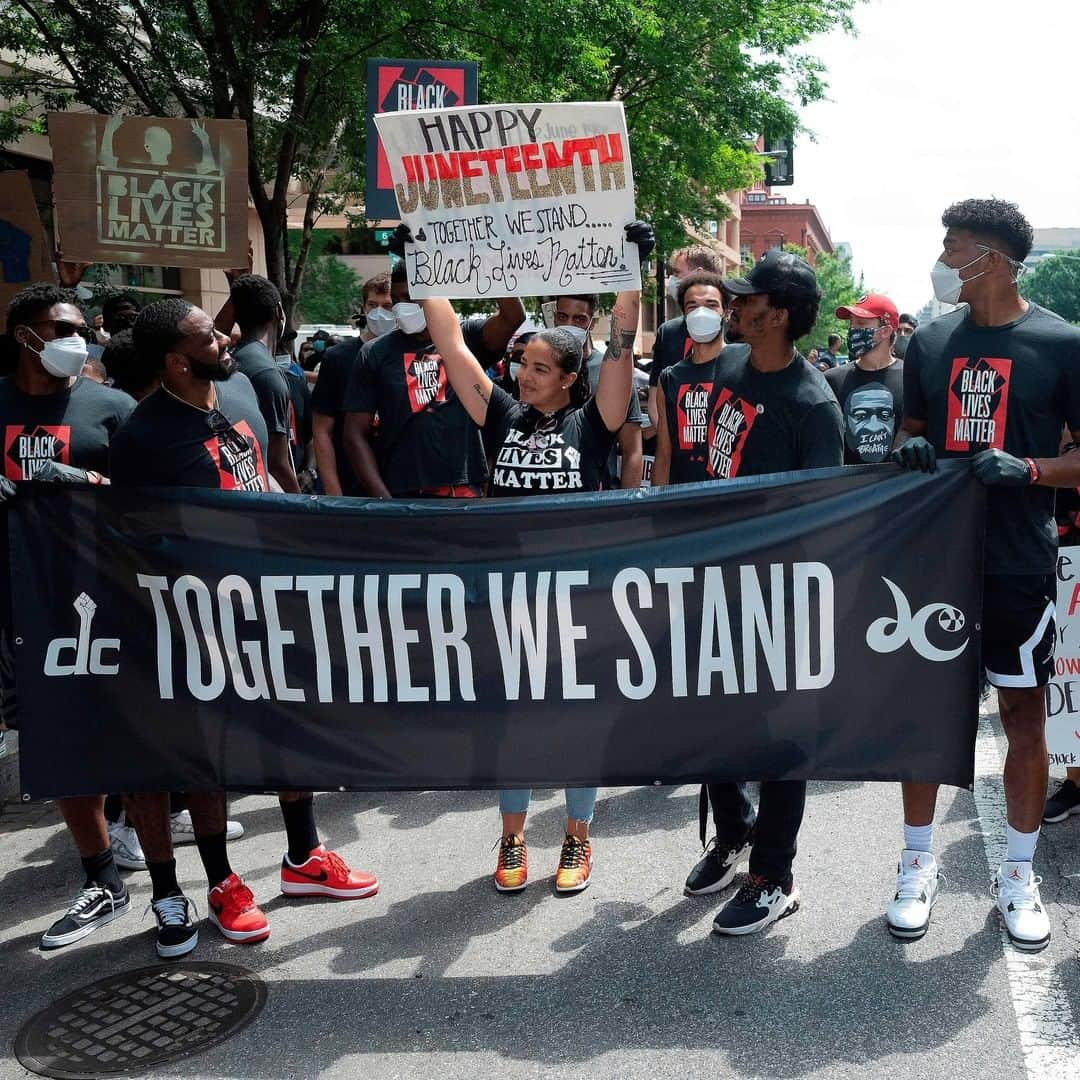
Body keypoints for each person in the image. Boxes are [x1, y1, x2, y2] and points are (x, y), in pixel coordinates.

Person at [108, 298, 379, 958]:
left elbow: (261, 480)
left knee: (286, 729)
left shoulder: (236, 392)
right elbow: (132, 539)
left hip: (266, 603)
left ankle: (302, 856)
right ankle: (221, 882)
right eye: (210, 336)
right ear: (177, 360)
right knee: (200, 754)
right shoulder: (144, 437)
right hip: (194, 621)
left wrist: (307, 536)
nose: (228, 337)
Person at [418, 221, 651, 892]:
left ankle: (577, 841)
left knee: (578, 720)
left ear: (570, 378)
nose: (524, 375)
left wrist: (631, 266)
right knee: (514, 720)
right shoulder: (503, 417)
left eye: (540, 368)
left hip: (580, 598)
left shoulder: (594, 422)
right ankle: (514, 838)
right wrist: (426, 260)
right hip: (512, 596)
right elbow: (452, 343)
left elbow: (622, 343)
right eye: (523, 364)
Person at [888, 198, 1080, 952]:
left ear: (990, 259)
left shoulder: (1060, 343)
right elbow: (911, 431)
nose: (941, 257)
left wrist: (1030, 468)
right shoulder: (930, 343)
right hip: (935, 559)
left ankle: (1019, 873)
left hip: (1017, 560)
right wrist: (909, 450)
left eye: (953, 244)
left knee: (1024, 715)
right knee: (926, 717)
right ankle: (914, 865)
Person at [668, 251, 843, 935]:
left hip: (777, 602)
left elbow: (822, 527)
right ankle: (733, 832)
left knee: (778, 740)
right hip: (715, 583)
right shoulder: (730, 369)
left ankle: (775, 874)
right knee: (714, 721)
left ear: (779, 313)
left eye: (746, 300)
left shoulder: (812, 405)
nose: (732, 308)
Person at [0, 283, 137, 950]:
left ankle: (116, 845)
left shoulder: (110, 408)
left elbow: (152, 503)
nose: (74, 341)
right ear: (24, 334)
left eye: (80, 329)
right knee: (52, 740)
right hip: (15, 609)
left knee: (105, 734)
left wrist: (94, 488)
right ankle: (104, 872)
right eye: (61, 328)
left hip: (94, 602)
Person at [341, 245, 525, 500]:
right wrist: (383, 498)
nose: (402, 307)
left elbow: (513, 317)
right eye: (397, 300)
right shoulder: (374, 353)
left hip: (464, 490)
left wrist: (484, 253)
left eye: (411, 297)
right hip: (403, 494)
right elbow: (354, 434)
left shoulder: (465, 338)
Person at [311, 274, 396, 497]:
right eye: (372, 305)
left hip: (400, 488)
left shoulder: (409, 354)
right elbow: (322, 431)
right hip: (351, 488)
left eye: (388, 306)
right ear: (363, 308)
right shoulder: (337, 358)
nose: (379, 312)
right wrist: (334, 492)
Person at [652, 270, 731, 488]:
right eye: (693, 306)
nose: (701, 312)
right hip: (684, 502)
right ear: (684, 315)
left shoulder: (745, 365)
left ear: (726, 312)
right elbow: (664, 454)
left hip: (735, 503)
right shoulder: (670, 378)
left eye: (711, 304)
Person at [558, 293, 643, 488]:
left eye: (579, 319)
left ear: (592, 323)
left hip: (601, 500)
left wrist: (627, 508)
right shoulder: (542, 372)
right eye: (562, 317)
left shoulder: (613, 374)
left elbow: (632, 450)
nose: (569, 324)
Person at [227, 274, 300, 493]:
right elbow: (277, 463)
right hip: (266, 496)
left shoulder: (233, 359)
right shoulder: (267, 374)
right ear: (279, 312)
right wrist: (304, 510)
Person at [647, 246, 723, 430]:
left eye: (677, 272)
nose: (672, 280)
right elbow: (655, 399)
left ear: (698, 274)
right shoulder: (668, 332)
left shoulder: (739, 332)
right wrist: (670, 442)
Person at [826, 293, 904, 464]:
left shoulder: (910, 377)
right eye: (851, 323)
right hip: (849, 488)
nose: (852, 330)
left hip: (899, 487)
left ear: (885, 331)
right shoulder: (832, 381)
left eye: (860, 323)